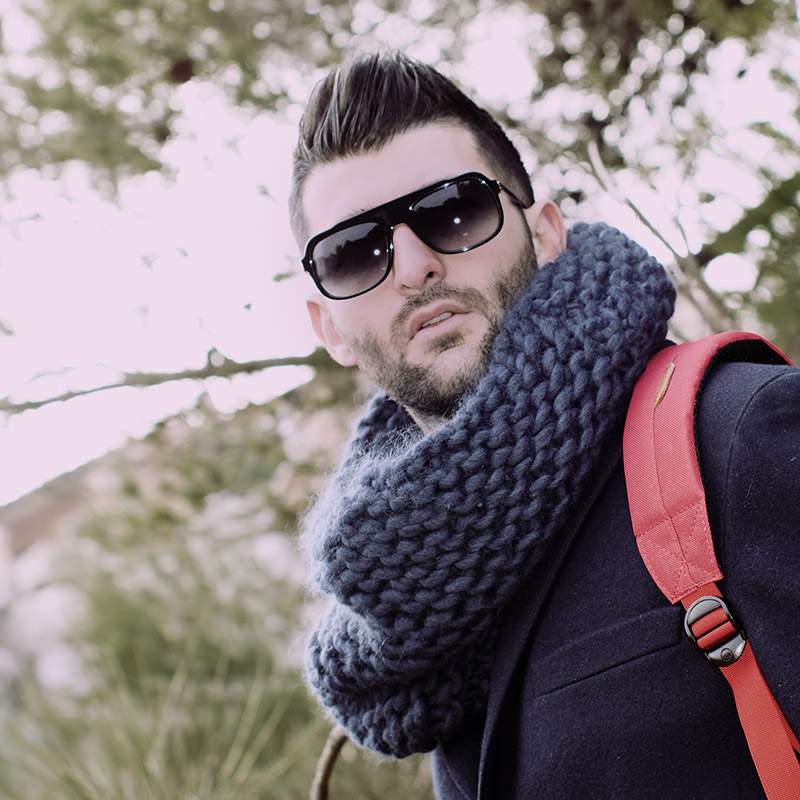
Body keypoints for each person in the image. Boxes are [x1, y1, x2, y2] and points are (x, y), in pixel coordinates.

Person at [290, 50, 800, 799]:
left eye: (453, 211)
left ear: (547, 231)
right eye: (352, 253)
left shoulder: (740, 433)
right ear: (328, 327)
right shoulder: (418, 617)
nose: (412, 266)